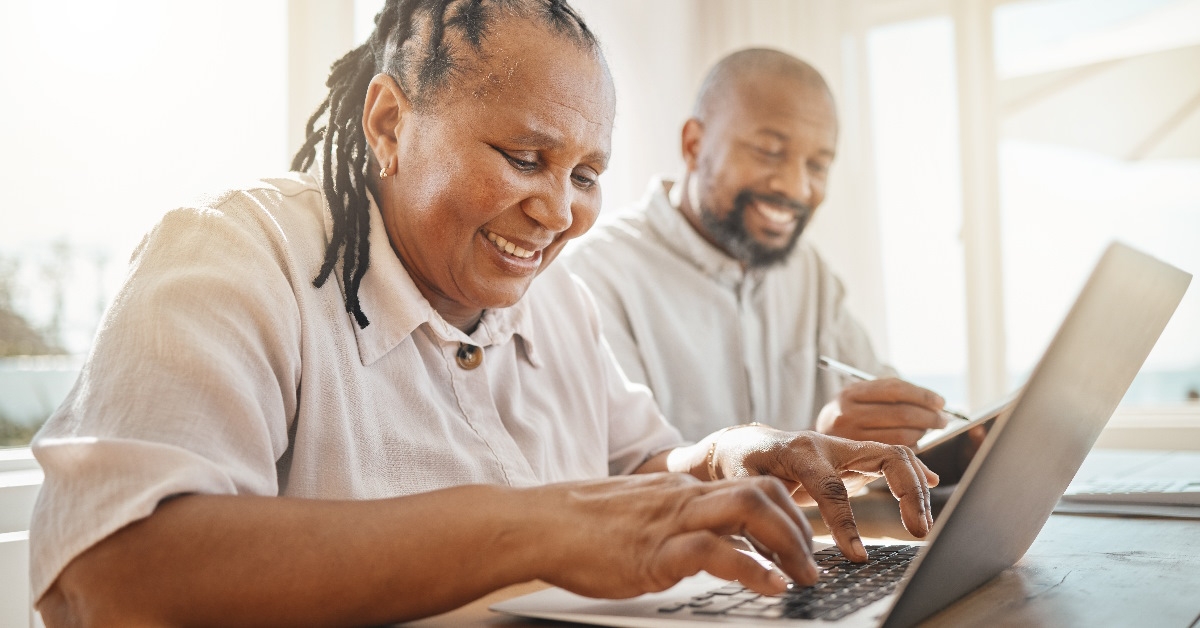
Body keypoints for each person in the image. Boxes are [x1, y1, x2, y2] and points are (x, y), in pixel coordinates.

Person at [29, 4, 937, 625]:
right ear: (389, 123)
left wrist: (729, 454)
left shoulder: (557, 300)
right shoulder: (237, 253)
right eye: (524, 157)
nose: (559, 211)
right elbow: (109, 581)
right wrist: (538, 526)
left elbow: (636, 470)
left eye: (586, 175)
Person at [565, 48, 954, 446]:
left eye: (817, 165)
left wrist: (941, 436)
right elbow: (627, 467)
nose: (796, 188)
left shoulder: (808, 273)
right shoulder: (595, 277)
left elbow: (880, 397)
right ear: (694, 145)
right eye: (769, 152)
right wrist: (816, 451)